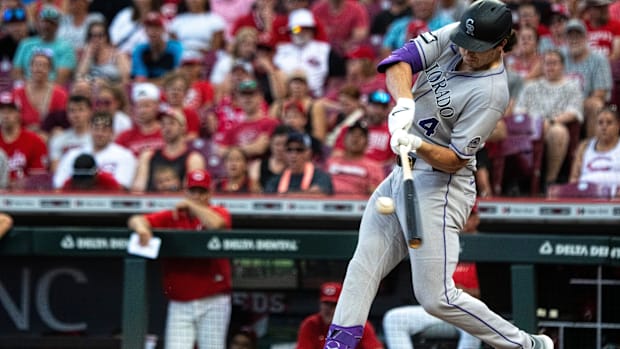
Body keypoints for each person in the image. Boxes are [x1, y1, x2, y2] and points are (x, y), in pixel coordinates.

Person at [322, 1, 554, 349]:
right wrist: (404, 103)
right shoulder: (459, 34)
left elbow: (456, 160)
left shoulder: (491, 92)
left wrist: (416, 142)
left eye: (477, 49)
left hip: (442, 185)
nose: (466, 51)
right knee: (361, 268)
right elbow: (400, 61)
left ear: (502, 44)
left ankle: (525, 344)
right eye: (464, 42)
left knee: (436, 297)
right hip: (400, 175)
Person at [127, 168, 232, 349]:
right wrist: (142, 229)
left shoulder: (219, 212)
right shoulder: (173, 216)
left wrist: (192, 206)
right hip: (180, 302)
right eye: (193, 192)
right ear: (186, 192)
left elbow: (217, 225)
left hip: (213, 301)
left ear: (210, 193)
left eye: (202, 192)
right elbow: (136, 219)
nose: (197, 196)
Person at [382, 203, 482, 349]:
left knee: (477, 319)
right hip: (437, 309)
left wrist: (462, 293)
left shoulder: (486, 247)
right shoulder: (439, 244)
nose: (460, 220)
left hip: (467, 311)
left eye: (466, 216)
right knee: (394, 319)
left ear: (476, 219)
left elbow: (494, 297)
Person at [53, 111, 137, 189]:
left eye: (104, 130)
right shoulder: (73, 154)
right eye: (96, 128)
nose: (99, 133)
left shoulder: (124, 155)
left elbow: (121, 187)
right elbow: (59, 185)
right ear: (90, 130)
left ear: (112, 132)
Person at [131, 108, 205, 192]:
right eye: (163, 124)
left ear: (183, 127)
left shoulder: (193, 158)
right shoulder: (148, 156)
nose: (167, 128)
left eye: (171, 123)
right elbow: (138, 190)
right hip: (152, 203)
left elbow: (192, 193)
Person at [296, 281, 383, 349]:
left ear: (343, 305)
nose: (328, 309)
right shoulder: (311, 324)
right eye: (326, 303)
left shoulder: (358, 324)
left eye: (334, 304)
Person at [12, 5, 76, 86]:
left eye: (51, 23)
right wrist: (29, 90)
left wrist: (43, 91)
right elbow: (16, 72)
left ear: (57, 26)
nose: (46, 26)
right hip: (27, 88)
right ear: (38, 23)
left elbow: (61, 78)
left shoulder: (66, 47)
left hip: (52, 90)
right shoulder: (26, 43)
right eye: (44, 21)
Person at [0, 91, 48, 189]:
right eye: (2, 111)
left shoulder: (35, 141)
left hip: (24, 198)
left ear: (19, 113)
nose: (5, 115)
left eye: (10, 111)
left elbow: (39, 178)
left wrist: (21, 183)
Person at [568, 106, 620, 195]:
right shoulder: (584, 146)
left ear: (618, 126)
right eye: (600, 123)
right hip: (586, 197)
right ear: (595, 126)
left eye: (609, 123)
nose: (604, 127)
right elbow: (574, 179)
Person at [324, 121, 384, 195]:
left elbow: (377, 194)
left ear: (366, 143)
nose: (356, 138)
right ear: (344, 139)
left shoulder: (374, 167)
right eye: (352, 134)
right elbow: (322, 185)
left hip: (359, 204)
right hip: (329, 202)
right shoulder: (331, 162)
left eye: (361, 135)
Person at [263, 131, 333, 195]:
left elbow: (318, 194)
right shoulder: (275, 180)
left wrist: (285, 195)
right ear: (284, 153)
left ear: (308, 153)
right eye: (289, 150)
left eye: (299, 150)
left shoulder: (321, 177)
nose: (293, 155)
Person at [75, 20, 132, 87]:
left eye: (100, 35)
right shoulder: (86, 55)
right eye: (92, 36)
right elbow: (78, 78)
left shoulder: (118, 55)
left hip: (113, 92)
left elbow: (126, 82)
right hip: (91, 91)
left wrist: (107, 85)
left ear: (106, 37)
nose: (95, 39)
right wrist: (88, 57)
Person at [131, 12, 183, 84]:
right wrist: (163, 81)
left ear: (164, 30)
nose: (152, 32)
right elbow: (140, 80)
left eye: (157, 27)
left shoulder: (175, 48)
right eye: (149, 27)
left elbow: (178, 77)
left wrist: (152, 81)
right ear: (145, 31)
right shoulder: (139, 50)